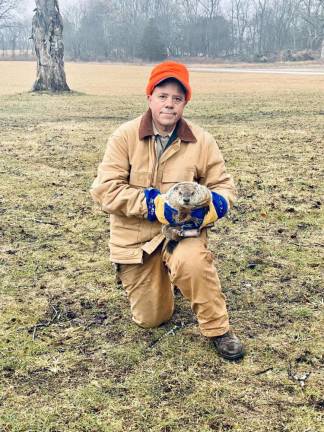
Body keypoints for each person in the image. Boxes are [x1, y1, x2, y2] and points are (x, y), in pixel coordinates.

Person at [90, 61, 244, 360]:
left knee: (193, 262)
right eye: (163, 96)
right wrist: (153, 205)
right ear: (150, 97)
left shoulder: (201, 141)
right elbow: (104, 189)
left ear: (185, 102)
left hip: (182, 235)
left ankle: (218, 329)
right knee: (152, 319)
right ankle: (160, 281)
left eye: (177, 98)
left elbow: (224, 186)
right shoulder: (124, 136)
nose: (169, 105)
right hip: (136, 244)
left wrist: (213, 208)